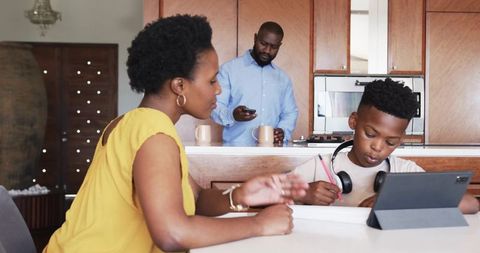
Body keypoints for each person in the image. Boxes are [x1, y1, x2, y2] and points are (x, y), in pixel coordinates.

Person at [42, 15, 308, 253]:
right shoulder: (154, 135)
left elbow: (198, 198)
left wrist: (239, 196)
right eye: (212, 80)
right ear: (179, 86)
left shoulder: (135, 122)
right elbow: (172, 234)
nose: (217, 90)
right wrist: (258, 224)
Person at [293, 78, 479, 214]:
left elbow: (470, 203)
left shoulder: (403, 170)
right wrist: (302, 193)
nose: (377, 147)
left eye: (391, 142)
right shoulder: (320, 167)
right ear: (353, 121)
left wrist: (396, 200)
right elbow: (268, 195)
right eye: (371, 134)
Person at [211, 21, 298, 145]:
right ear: (255, 38)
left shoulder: (283, 79)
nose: (267, 51)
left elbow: (290, 113)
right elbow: (215, 106)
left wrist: (282, 131)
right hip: (236, 154)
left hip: (272, 154)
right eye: (263, 43)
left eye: (273, 47)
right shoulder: (229, 70)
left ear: (280, 45)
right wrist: (232, 115)